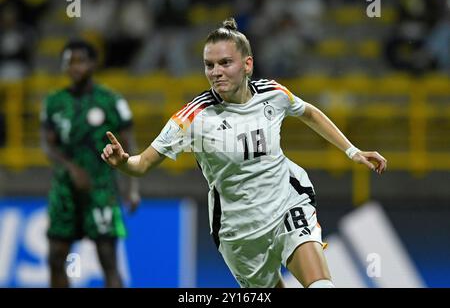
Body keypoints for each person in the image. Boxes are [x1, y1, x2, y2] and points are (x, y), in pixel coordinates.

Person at [101, 18, 387, 288]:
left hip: (287, 205)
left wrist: (352, 151)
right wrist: (123, 162)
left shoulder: (273, 94)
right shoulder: (194, 117)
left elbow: (309, 113)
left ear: (247, 64)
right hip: (238, 232)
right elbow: (142, 164)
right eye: (209, 65)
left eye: (225, 63)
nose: (216, 72)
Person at [40, 39, 140, 288]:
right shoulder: (54, 102)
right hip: (65, 191)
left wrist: (133, 188)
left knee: (109, 262)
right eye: (69, 62)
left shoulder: (111, 101)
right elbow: (47, 145)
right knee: (54, 258)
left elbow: (129, 145)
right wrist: (71, 168)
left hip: (101, 190)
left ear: (93, 64)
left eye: (80, 61)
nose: (75, 67)